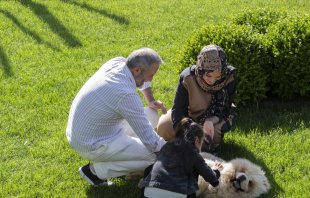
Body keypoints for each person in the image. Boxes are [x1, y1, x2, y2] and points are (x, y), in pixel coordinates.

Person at [66, 47, 167, 187]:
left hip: (89, 130)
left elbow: (144, 82)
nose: (151, 79)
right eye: (151, 75)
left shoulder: (117, 62)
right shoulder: (125, 94)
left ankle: (125, 158)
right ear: (137, 70)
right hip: (91, 143)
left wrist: (150, 100)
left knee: (151, 114)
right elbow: (152, 143)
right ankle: (94, 172)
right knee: (153, 156)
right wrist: (177, 152)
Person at [156, 45, 237, 155]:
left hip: (217, 116)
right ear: (201, 69)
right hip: (191, 113)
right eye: (208, 76)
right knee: (163, 127)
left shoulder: (229, 77)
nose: (212, 81)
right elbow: (179, 109)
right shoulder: (187, 77)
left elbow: (226, 108)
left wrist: (210, 121)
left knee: (211, 136)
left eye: (217, 77)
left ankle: (210, 147)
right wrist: (187, 130)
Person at [141, 117, 223, 198]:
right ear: (197, 140)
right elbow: (213, 180)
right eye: (201, 143)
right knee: (192, 178)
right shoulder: (193, 152)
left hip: (148, 194)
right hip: (175, 193)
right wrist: (215, 171)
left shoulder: (166, 146)